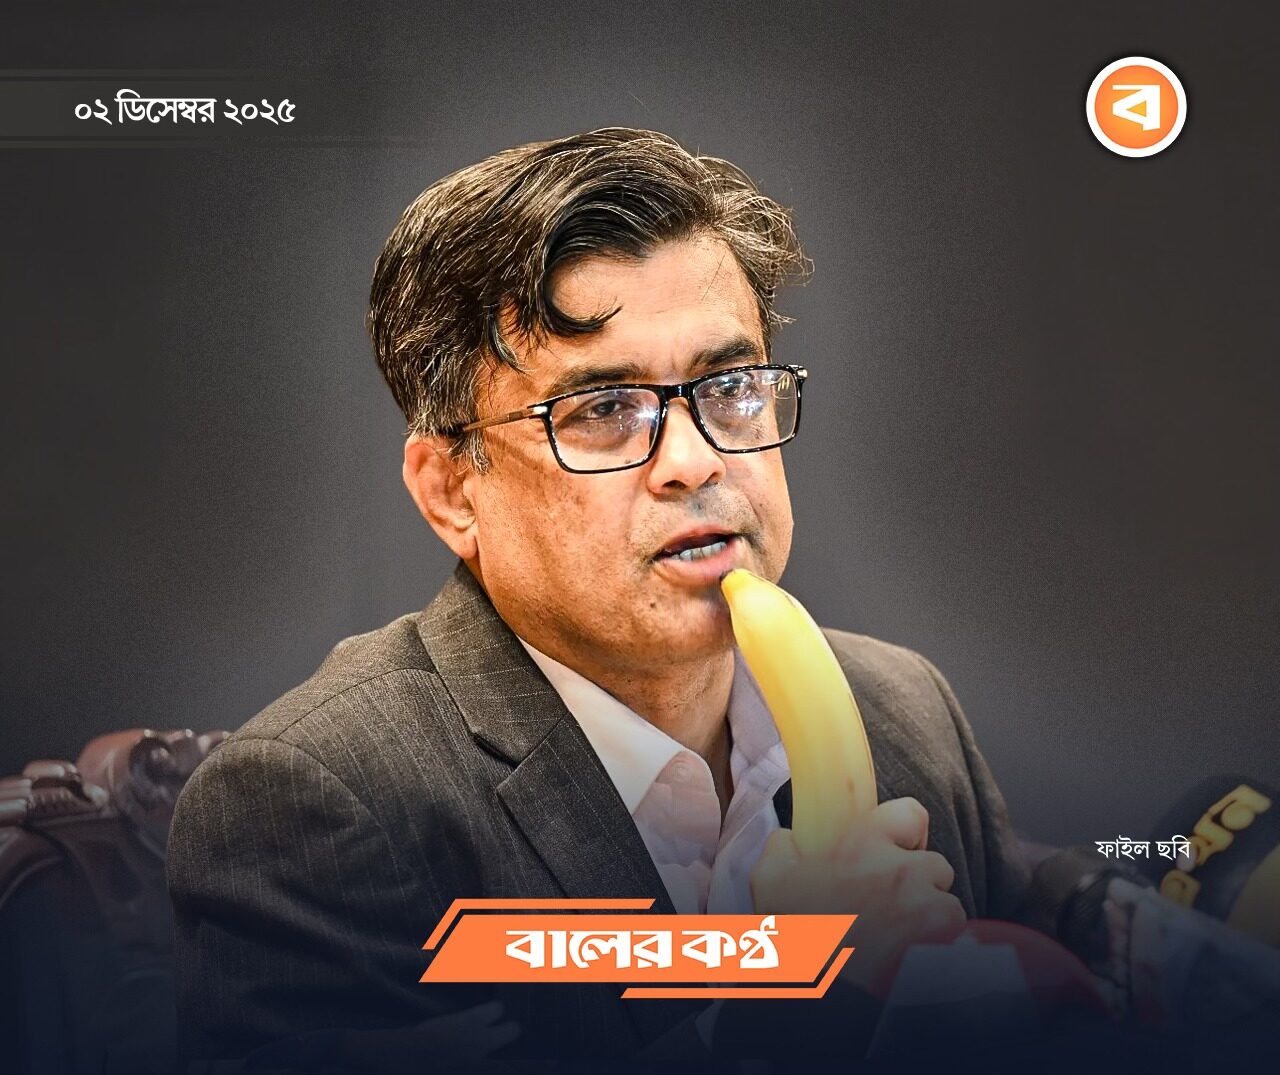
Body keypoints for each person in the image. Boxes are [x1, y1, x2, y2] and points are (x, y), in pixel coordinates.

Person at [167, 127, 1031, 1070]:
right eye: (603, 409)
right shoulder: (323, 801)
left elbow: (1063, 946)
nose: (695, 461)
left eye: (731, 385)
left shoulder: (902, 708)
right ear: (452, 491)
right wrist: (798, 985)